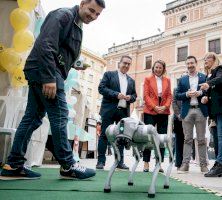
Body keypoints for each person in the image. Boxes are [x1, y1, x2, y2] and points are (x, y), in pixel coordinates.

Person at [0, 0, 105, 180]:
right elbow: (46, 45)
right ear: (82, 3)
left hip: (42, 70)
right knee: (60, 115)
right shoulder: (63, 15)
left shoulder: (76, 23)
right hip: (46, 71)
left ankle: (13, 165)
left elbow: (59, 50)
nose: (93, 16)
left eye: (97, 14)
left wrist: (76, 64)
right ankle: (68, 165)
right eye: (91, 10)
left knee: (32, 118)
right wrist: (49, 77)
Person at [96, 55, 137, 170]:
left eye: (129, 64)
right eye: (125, 63)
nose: (126, 65)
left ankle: (119, 162)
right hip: (109, 110)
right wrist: (116, 95)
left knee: (122, 137)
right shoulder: (109, 75)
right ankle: (100, 162)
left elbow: (135, 96)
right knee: (104, 135)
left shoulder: (131, 81)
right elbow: (101, 88)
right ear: (119, 63)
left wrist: (130, 97)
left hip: (123, 113)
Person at [176, 56, 209, 173]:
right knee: (187, 139)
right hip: (187, 111)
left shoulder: (204, 77)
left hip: (201, 110)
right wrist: (186, 94)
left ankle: (203, 165)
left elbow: (208, 91)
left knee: (201, 139)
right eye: (188, 63)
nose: (190, 65)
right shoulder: (182, 79)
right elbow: (177, 95)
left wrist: (199, 93)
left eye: (192, 63)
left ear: (196, 63)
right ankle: (185, 165)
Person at [142, 60, 172, 173]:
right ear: (153, 68)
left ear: (163, 69)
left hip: (164, 111)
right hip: (150, 110)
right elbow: (145, 95)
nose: (158, 69)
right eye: (156, 67)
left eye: (160, 67)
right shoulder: (147, 79)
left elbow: (169, 95)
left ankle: (159, 164)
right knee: (148, 137)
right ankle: (146, 163)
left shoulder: (167, 80)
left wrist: (165, 106)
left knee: (162, 138)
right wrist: (154, 107)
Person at [172, 88, 184, 170]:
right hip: (178, 119)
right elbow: (174, 103)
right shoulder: (176, 89)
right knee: (178, 141)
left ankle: (185, 162)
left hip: (189, 118)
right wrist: (179, 114)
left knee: (187, 141)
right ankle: (178, 163)